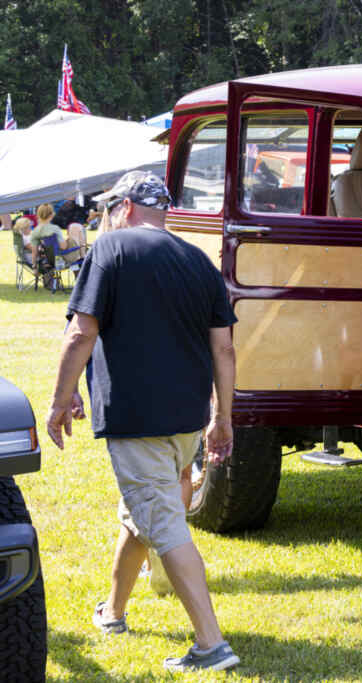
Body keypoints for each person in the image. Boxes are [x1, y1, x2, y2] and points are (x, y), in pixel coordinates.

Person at [45, 170, 241, 673]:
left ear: (126, 207)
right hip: (187, 422)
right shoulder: (198, 261)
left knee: (163, 523)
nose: (107, 217)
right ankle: (113, 613)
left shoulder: (109, 249)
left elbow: (80, 333)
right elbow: (224, 348)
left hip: (138, 420)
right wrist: (222, 418)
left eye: (110, 209)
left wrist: (59, 400)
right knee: (142, 511)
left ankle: (211, 644)